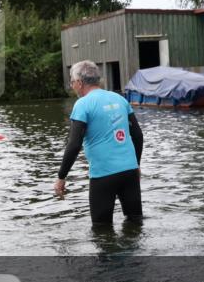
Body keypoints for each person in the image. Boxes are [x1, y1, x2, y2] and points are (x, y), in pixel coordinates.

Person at [54, 60, 144, 226]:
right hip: (130, 172)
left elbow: (74, 144)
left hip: (104, 175)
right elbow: (137, 135)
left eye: (72, 82)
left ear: (80, 83)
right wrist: (136, 164)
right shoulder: (119, 99)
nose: (72, 86)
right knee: (135, 223)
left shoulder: (82, 104)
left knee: (101, 230)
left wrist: (61, 177)